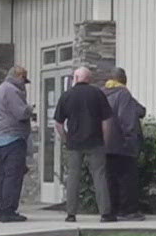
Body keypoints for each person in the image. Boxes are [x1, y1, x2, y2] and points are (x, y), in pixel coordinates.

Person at [54, 66, 116, 223]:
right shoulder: (97, 94)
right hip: (95, 141)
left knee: (73, 177)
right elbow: (107, 121)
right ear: (90, 79)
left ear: (75, 78)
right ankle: (105, 213)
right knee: (99, 176)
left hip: (74, 142)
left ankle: (71, 214)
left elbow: (59, 124)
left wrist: (66, 138)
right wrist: (105, 140)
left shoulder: (67, 96)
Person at [102, 68, 146, 220]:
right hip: (123, 143)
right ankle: (128, 211)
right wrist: (131, 139)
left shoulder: (102, 93)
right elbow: (127, 118)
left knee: (110, 179)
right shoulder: (123, 93)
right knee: (127, 179)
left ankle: (112, 209)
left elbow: (140, 110)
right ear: (124, 79)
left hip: (105, 143)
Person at [0, 65, 32, 222]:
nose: (24, 84)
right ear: (19, 76)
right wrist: (29, 109)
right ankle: (9, 210)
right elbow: (21, 113)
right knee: (13, 176)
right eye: (24, 79)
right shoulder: (12, 90)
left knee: (2, 176)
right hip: (13, 138)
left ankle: (1, 209)